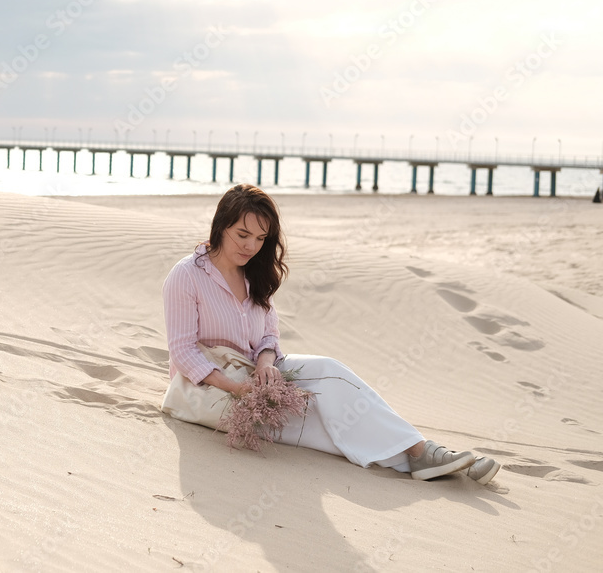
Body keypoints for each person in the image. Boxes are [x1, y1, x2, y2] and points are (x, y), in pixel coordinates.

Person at [162, 183, 500, 484]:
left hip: (257, 377)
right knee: (320, 424)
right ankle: (424, 457)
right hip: (211, 391)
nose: (251, 246)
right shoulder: (187, 275)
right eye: (242, 234)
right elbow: (183, 350)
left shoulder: (255, 275)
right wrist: (237, 388)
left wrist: (266, 364)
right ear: (221, 226)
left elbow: (268, 337)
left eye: (261, 238)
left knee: (328, 371)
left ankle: (425, 454)